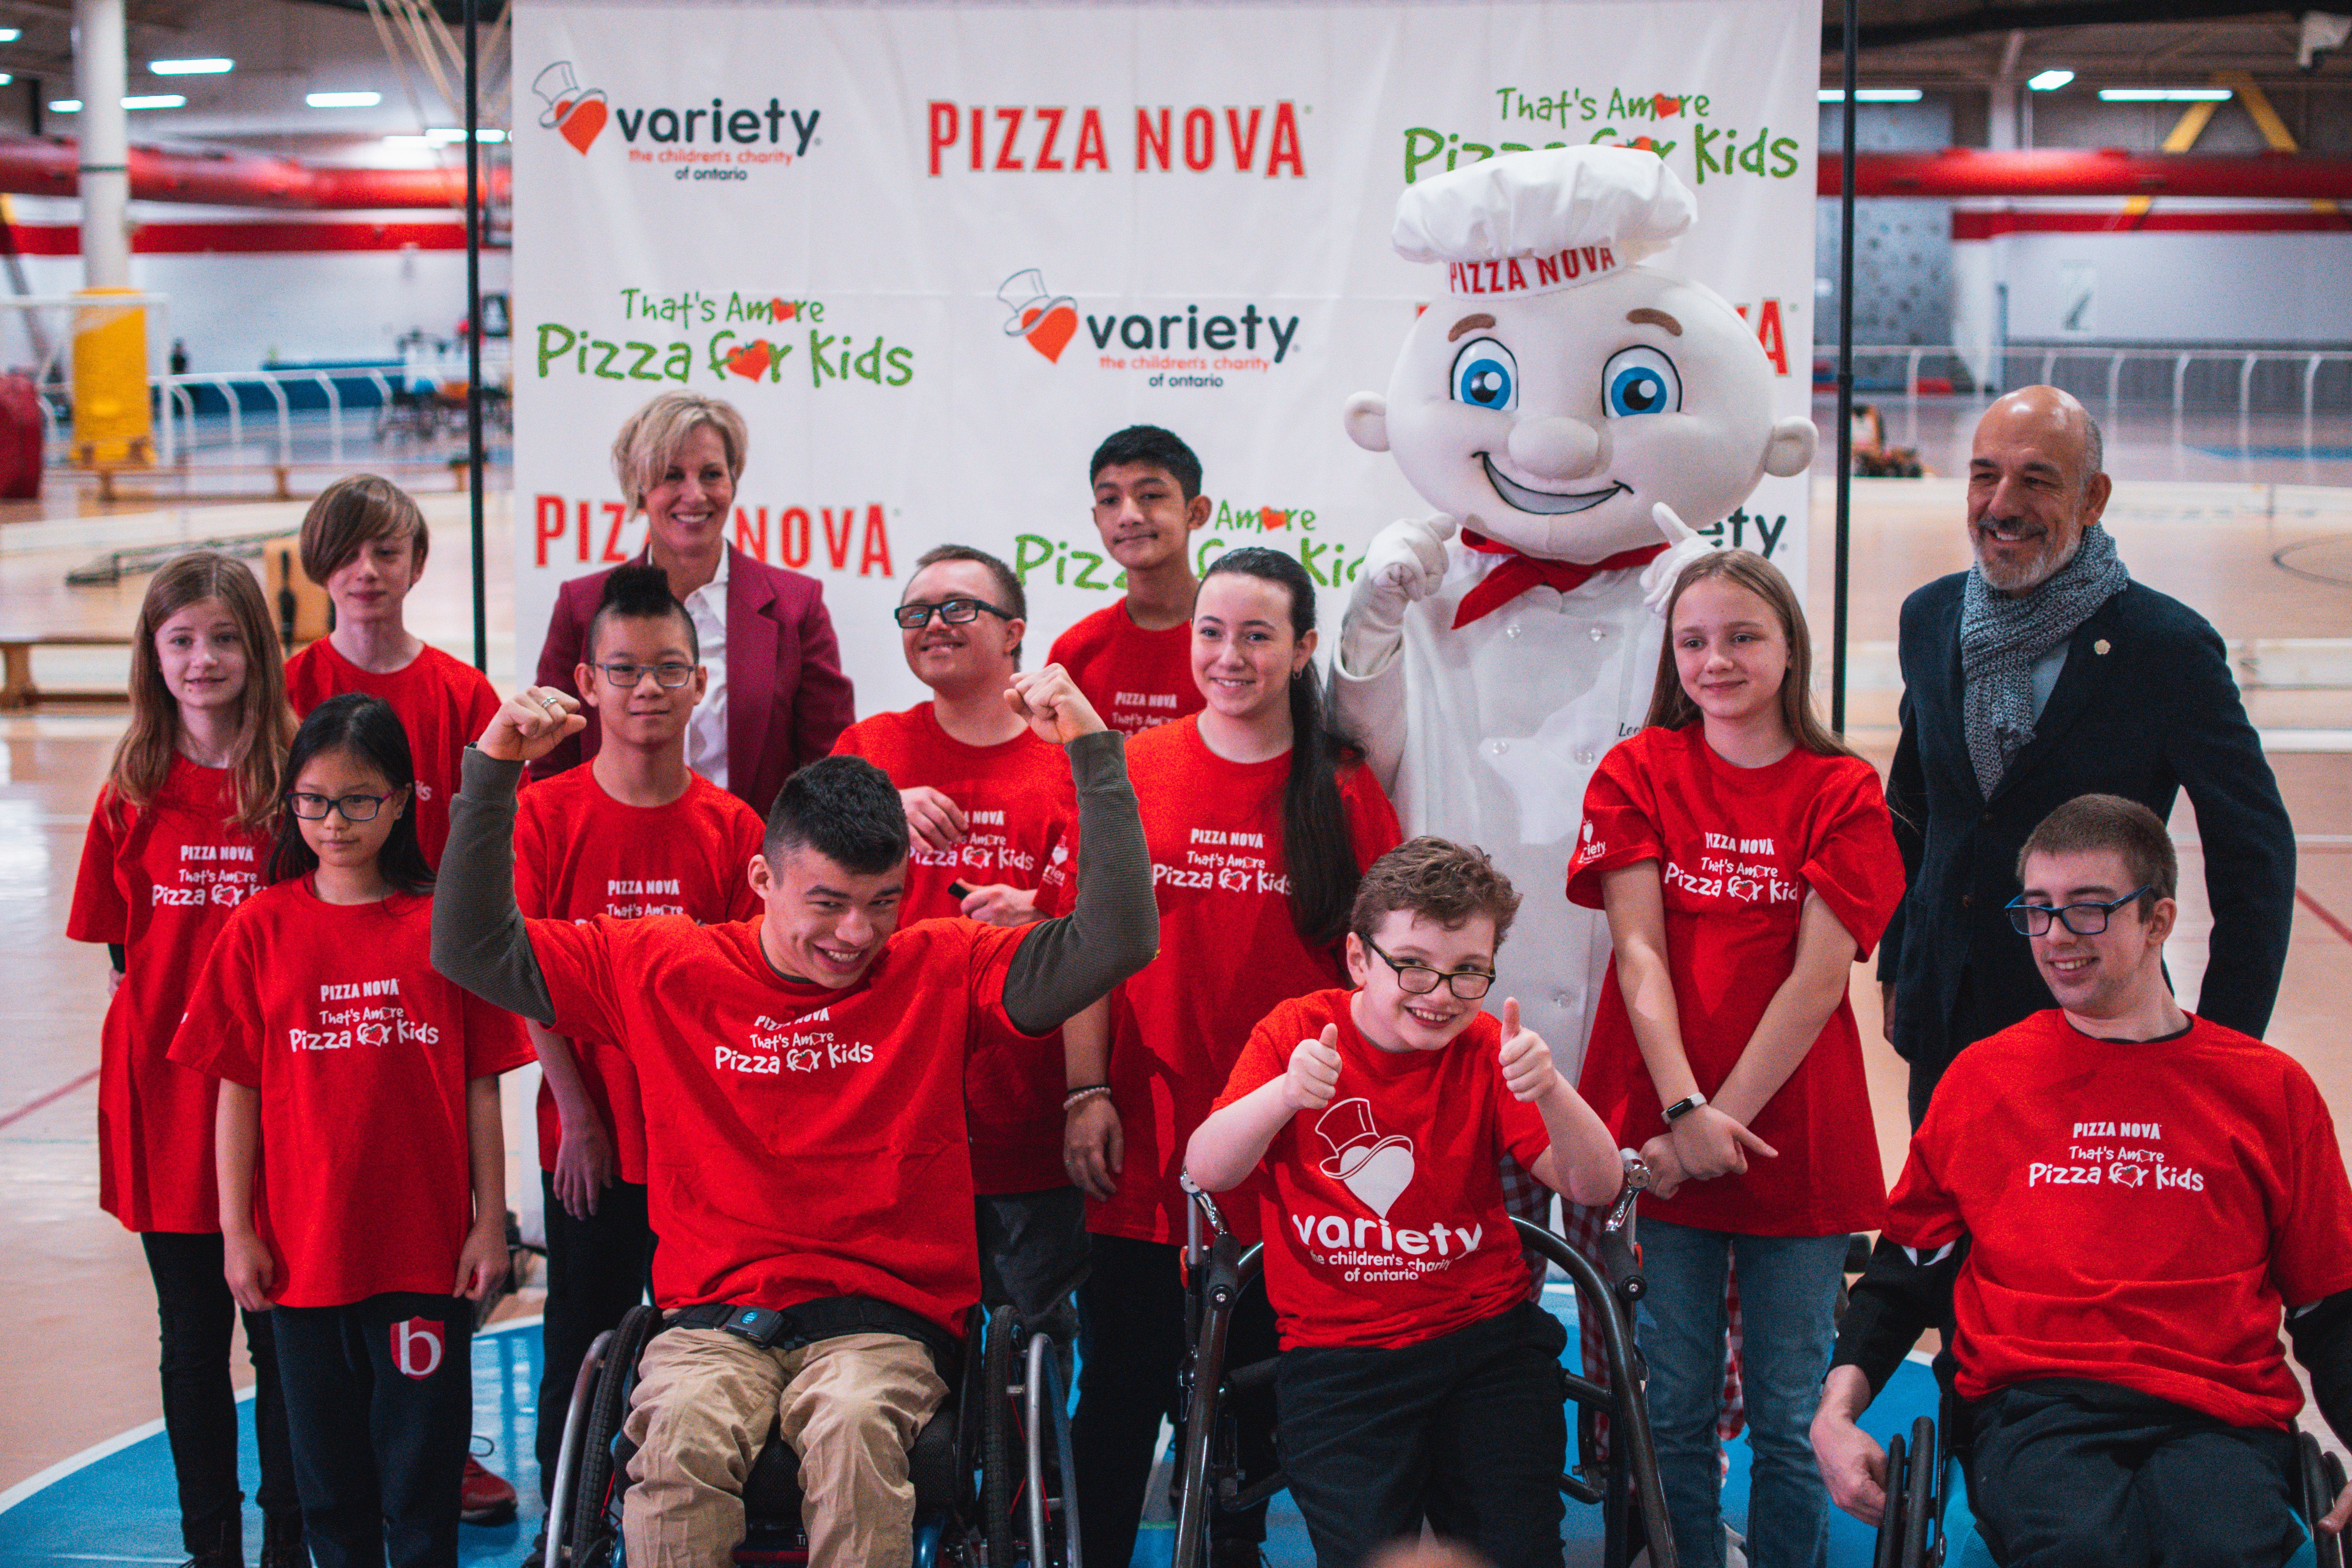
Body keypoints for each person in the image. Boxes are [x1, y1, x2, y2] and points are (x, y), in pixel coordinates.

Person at [430, 662, 1156, 1568]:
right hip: (711, 1322)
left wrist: (1094, 754)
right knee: (678, 1436)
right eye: (829, 903)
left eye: (882, 902)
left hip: (883, 1324)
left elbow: (1119, 938)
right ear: (762, 876)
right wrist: (495, 767)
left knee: (852, 1429)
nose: (857, 934)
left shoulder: (940, 965)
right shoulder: (665, 966)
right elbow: (468, 946)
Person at [1813, 794, 2352, 1566]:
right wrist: (1836, 1410)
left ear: (2159, 920)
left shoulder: (2268, 1091)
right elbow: (1907, 1270)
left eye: (2088, 909)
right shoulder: (1983, 1078)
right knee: (2075, 1549)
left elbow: (2327, 1304)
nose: (2056, 937)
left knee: (2223, 1549)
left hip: (2217, 1418)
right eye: (2036, 910)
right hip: (2034, 1406)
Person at [1568, 550, 1903, 1568]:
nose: (1717, 660)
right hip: (1658, 1121)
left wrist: (1719, 1122)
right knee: (1667, 1402)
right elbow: (1638, 951)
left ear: (1790, 648)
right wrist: (1679, 1110)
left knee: (1788, 1410)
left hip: (1789, 1137)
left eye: (1743, 636)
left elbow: (1815, 980)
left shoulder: (1842, 786)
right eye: (1694, 642)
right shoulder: (1637, 770)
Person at [1069, 546, 1403, 1568]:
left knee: (1258, 1404)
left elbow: (1376, 978)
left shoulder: (1343, 789)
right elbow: (1084, 948)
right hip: (1143, 1134)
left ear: (1303, 648)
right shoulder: (1133, 765)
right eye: (1211, 632)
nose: (1228, 654)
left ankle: (1236, 1551)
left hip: (1289, 1151)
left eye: (1257, 635)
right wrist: (1085, 1088)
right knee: (1119, 1391)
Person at [1185, 837, 1625, 1568]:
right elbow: (1207, 1167)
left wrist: (1551, 1089)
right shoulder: (1298, 1033)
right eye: (1413, 964)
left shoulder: (1488, 1046)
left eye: (1467, 972)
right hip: (1337, 1357)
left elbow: (1595, 1185)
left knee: (1516, 1551)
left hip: (1484, 1345)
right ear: (1359, 959)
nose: (1439, 992)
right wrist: (1284, 1095)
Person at [170, 694, 533, 1568]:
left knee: (420, 1477)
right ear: (290, 800)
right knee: (329, 1482)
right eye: (316, 800)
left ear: (404, 799)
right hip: (307, 1258)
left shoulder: (442, 923)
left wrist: (490, 1218)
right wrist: (238, 1229)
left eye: (360, 799)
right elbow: (237, 1090)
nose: (335, 821)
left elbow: (480, 1081)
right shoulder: (259, 927)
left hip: (421, 1252)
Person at [1879, 385, 2295, 1125]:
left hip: (2102, 1030)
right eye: (1983, 475)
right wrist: (1898, 970)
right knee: (1948, 1240)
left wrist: (2223, 1043)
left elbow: (2254, 854)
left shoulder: (2165, 648)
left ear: (2092, 497)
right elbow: (1912, 807)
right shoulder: (1929, 617)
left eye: (2035, 480)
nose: (2000, 504)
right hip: (1946, 1027)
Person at [512, 564, 765, 1560]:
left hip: (696, 1149)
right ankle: (565, 1525)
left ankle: (689, 1518)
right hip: (590, 1137)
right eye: (624, 670)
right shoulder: (544, 814)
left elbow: (748, 1000)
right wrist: (577, 1111)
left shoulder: (733, 827)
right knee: (581, 1332)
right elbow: (528, 977)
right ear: (587, 681)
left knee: (694, 1349)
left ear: (700, 682)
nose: (646, 689)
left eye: (668, 669)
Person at [67, 550, 303, 1568]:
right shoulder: (130, 791)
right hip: (169, 1102)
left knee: (286, 1346)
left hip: (288, 1100)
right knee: (191, 1340)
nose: (202, 659)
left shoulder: (300, 783)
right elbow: (126, 957)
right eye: (180, 640)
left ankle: (295, 1538)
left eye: (222, 637)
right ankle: (212, 1543)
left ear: (256, 648)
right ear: (151, 655)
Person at [832, 544, 1086, 1319]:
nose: (933, 624)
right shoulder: (867, 751)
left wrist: (1040, 922)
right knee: (894, 1352)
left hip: (1022, 1119)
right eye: (916, 612)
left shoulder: (1070, 757)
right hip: (887, 1117)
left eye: (957, 608)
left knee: (1025, 1357)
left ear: (1014, 632)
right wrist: (871, 811)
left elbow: (1112, 938)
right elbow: (797, 914)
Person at [532, 389, 855, 814]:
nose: (695, 494)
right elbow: (551, 766)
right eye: (671, 476)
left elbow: (831, 768)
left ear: (733, 482)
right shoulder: (582, 606)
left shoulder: (797, 607)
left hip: (755, 866)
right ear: (639, 489)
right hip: (615, 864)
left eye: (711, 474)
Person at [283, 474, 502, 873]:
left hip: (432, 924)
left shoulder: (466, 694)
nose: (366, 570)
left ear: (417, 563)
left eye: (385, 553)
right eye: (347, 555)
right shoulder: (287, 689)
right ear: (319, 562)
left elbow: (498, 832)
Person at [1046, 425, 1212, 736]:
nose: (1128, 516)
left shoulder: (1237, 642)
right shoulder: (1076, 651)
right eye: (1110, 500)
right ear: (1097, 519)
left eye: (1150, 495)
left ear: (1196, 512)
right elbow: (1055, 769)